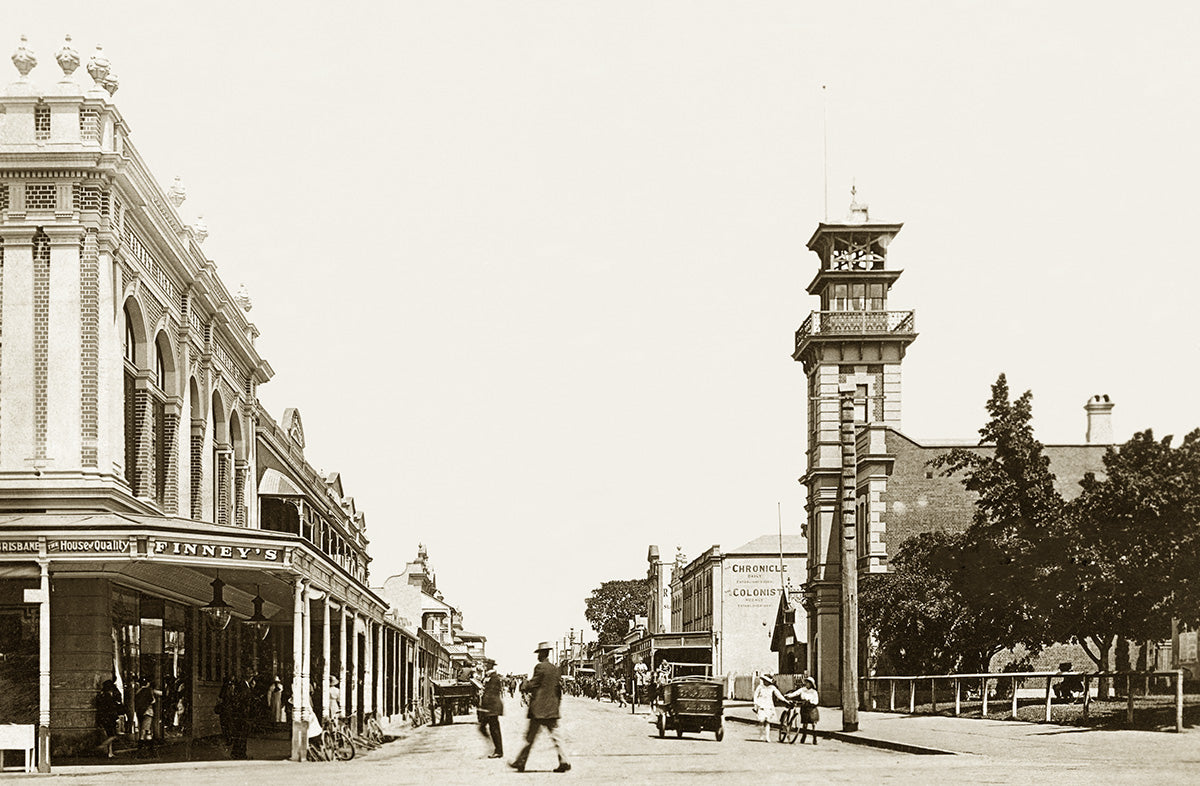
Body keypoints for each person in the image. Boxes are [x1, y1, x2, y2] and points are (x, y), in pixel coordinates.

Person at [509, 641, 570, 773]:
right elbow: (558, 690)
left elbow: (534, 684)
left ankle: (520, 762)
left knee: (530, 737)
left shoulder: (540, 667)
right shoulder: (555, 669)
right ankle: (564, 761)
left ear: (542, 654)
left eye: (539, 653)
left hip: (539, 709)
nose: (537, 656)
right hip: (551, 709)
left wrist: (524, 685)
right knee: (556, 736)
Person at [94, 679, 126, 758]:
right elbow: (112, 708)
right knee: (113, 735)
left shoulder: (101, 696)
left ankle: (110, 752)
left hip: (103, 718)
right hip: (110, 718)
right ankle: (102, 746)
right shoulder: (109, 697)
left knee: (109, 735)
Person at [478, 667, 504, 758]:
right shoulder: (492, 678)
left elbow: (490, 694)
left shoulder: (494, 679)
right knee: (487, 728)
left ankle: (498, 750)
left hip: (492, 707)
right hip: (491, 707)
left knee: (493, 729)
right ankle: (496, 749)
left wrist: (484, 708)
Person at [753, 674, 787, 742]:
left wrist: (785, 700)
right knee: (761, 721)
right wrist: (755, 704)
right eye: (764, 680)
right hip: (761, 705)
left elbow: (778, 695)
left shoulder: (772, 688)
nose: (764, 682)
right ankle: (761, 735)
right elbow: (755, 695)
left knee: (768, 722)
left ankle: (767, 737)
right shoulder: (760, 687)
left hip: (769, 705)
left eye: (766, 681)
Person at [786, 677, 820, 745]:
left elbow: (816, 701)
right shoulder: (802, 689)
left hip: (812, 708)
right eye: (806, 682)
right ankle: (804, 736)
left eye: (808, 683)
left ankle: (815, 738)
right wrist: (789, 695)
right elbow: (795, 693)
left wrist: (811, 702)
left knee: (814, 723)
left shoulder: (814, 692)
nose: (807, 684)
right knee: (805, 723)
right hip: (804, 707)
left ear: (811, 684)